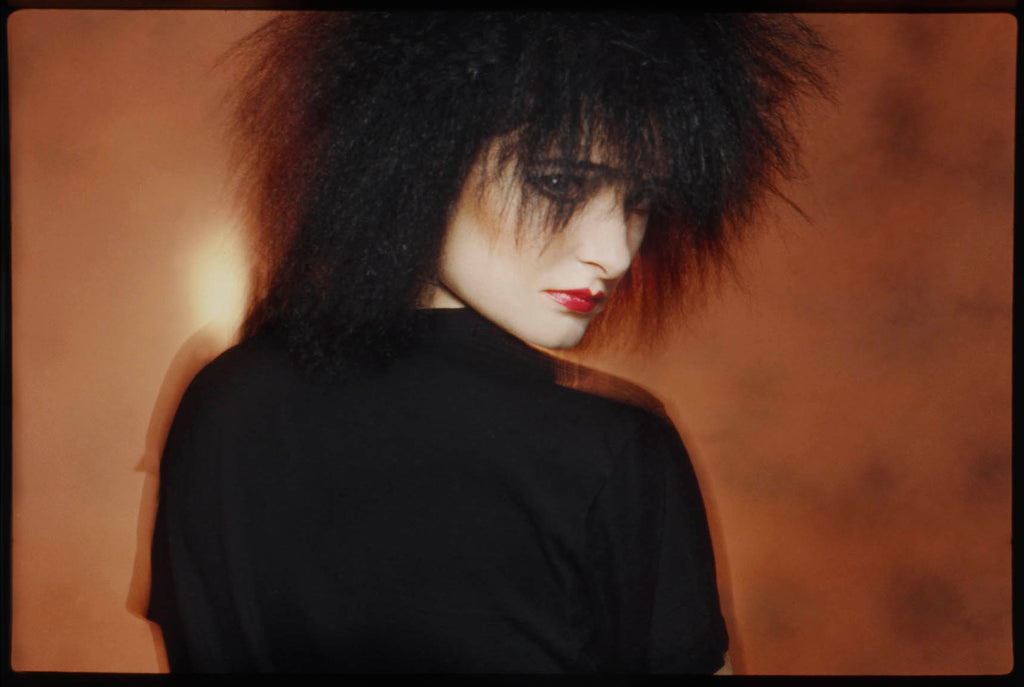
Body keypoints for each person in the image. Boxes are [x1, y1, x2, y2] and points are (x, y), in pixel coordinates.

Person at [147, 12, 829, 673]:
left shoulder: (219, 401)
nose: (616, 251)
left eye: (639, 200)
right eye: (559, 182)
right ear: (423, 153)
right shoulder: (613, 452)